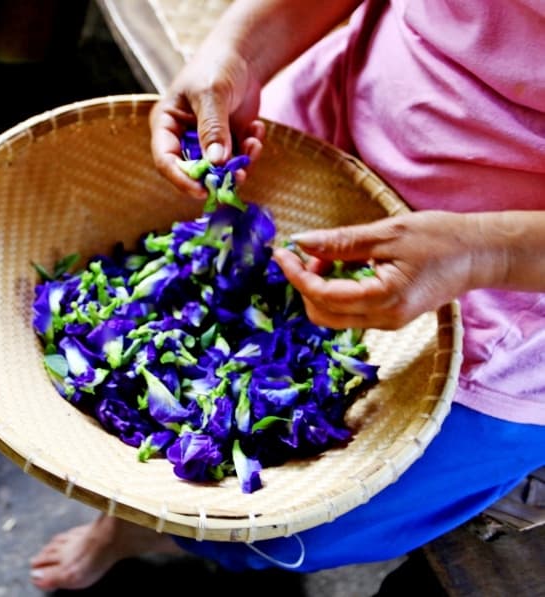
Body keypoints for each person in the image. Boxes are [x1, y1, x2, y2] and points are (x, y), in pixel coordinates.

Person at [30, 0, 545, 589]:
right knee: (160, 459)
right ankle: (125, 530)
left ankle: (164, 540)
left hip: (513, 288)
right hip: (346, 107)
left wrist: (490, 252)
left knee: (300, 518)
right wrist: (241, 49)